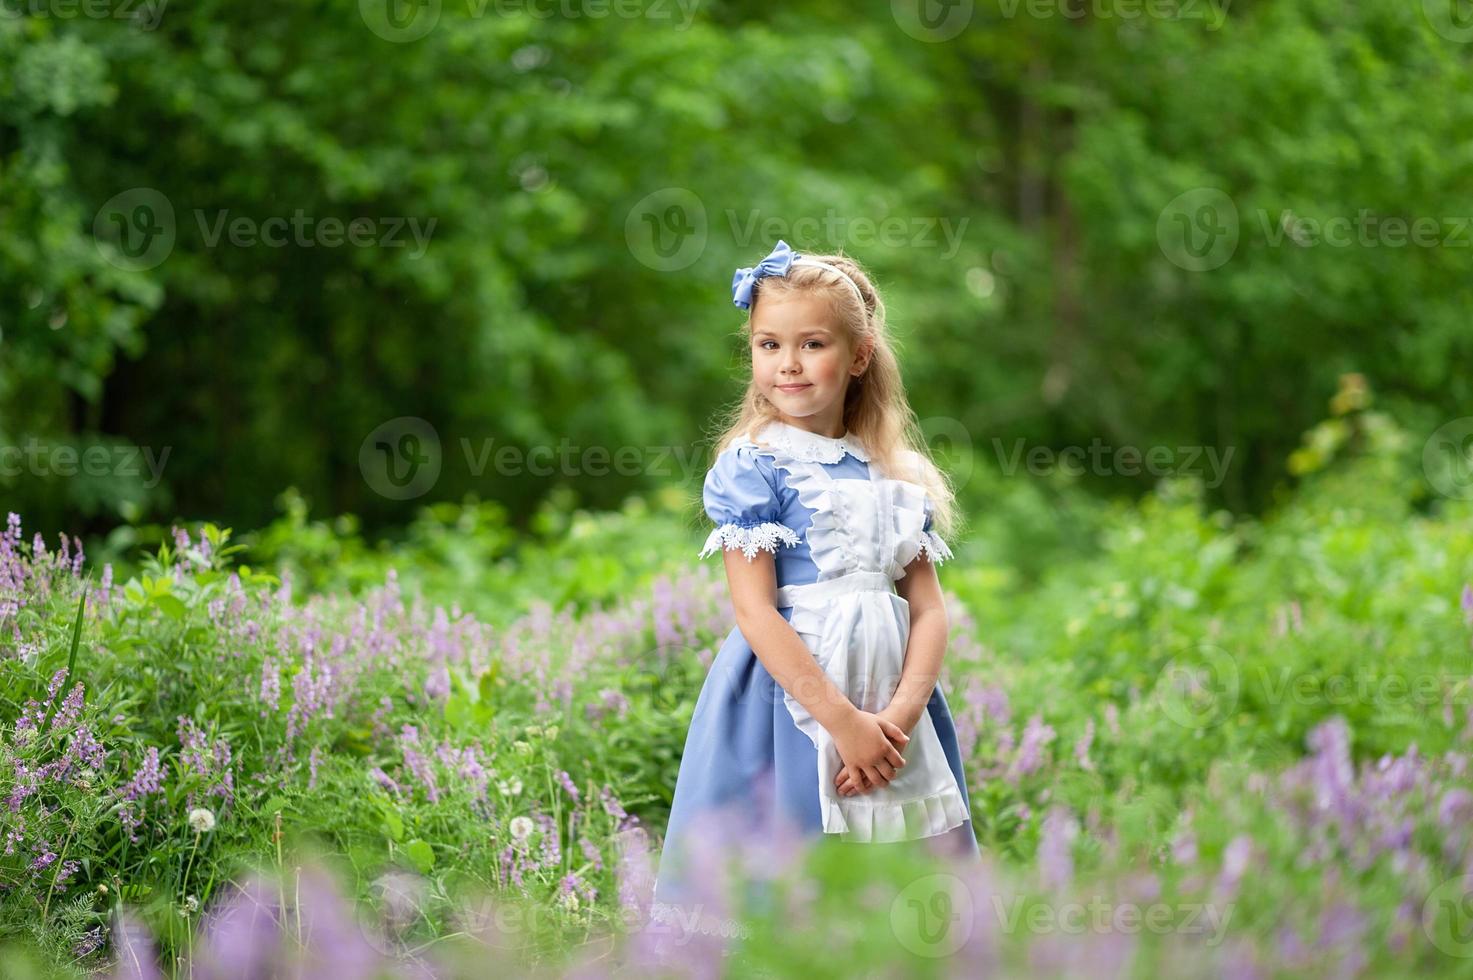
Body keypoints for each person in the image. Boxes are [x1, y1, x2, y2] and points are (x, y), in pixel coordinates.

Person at [648, 241, 981, 932]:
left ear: (857, 356)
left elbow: (928, 612)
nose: (788, 363)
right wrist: (842, 724)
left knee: (897, 888)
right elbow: (754, 611)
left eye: (812, 343)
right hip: (787, 704)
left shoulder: (895, 473)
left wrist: (891, 724)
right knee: (786, 879)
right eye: (768, 344)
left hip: (894, 705)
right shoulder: (755, 466)